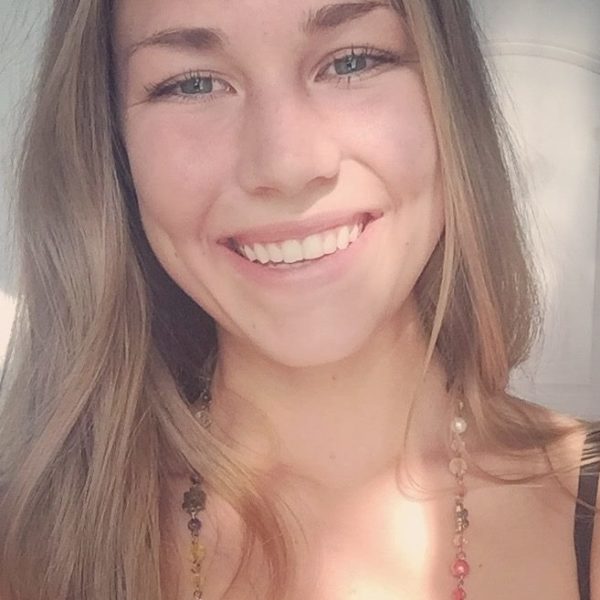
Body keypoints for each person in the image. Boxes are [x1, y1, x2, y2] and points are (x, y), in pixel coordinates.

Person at [0, 0, 598, 598]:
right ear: (112, 148)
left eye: (352, 61)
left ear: (449, 102)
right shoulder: (27, 545)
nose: (285, 165)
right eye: (193, 83)